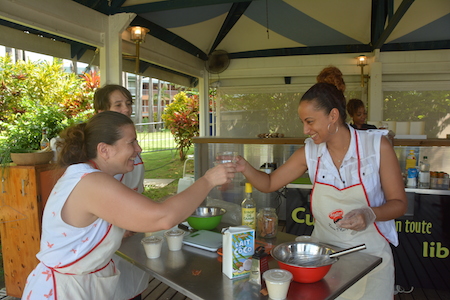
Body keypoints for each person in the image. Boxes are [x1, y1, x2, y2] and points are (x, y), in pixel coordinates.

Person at [21, 111, 235, 300]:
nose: (138, 148)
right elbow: (162, 217)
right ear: (104, 150)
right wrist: (207, 180)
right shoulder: (91, 182)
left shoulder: (85, 176)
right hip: (64, 292)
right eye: (131, 142)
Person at [235, 83, 407, 299]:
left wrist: (370, 213)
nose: (305, 130)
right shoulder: (310, 151)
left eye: (310, 122)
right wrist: (244, 167)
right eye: (303, 123)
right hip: (324, 259)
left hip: (370, 257)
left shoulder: (377, 146)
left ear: (333, 115)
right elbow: (269, 183)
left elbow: (399, 203)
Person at [93, 84, 147, 299]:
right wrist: (117, 226)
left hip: (131, 232)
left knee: (132, 287)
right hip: (106, 242)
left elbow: (137, 190)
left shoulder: (129, 143)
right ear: (101, 112)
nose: (126, 109)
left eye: (128, 104)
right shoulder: (96, 153)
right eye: (118, 105)